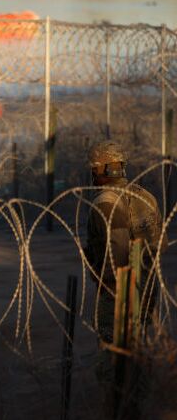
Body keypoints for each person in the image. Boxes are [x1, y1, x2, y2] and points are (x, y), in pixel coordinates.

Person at [84, 140, 162, 394]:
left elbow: (116, 253)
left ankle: (117, 408)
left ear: (103, 169)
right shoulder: (144, 195)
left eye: (95, 168)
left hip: (119, 291)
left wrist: (107, 286)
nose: (93, 174)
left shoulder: (106, 202)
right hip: (147, 285)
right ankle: (136, 403)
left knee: (113, 355)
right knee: (137, 348)